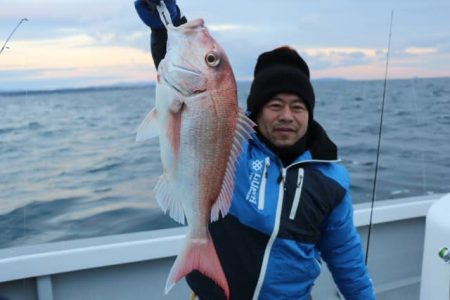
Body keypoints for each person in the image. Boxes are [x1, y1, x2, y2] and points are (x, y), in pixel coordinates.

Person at [135, 1, 376, 299]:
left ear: (309, 113)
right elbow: (182, 86)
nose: (287, 115)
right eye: (275, 105)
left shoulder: (331, 181)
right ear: (257, 111)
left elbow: (346, 259)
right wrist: (164, 24)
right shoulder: (236, 152)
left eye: (298, 106)